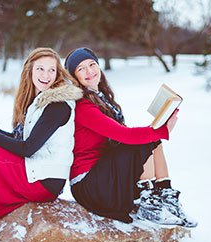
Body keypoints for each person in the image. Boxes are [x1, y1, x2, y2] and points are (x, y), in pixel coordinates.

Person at [0, 47, 83, 226]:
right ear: (30, 71)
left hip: (45, 181)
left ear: (57, 74)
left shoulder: (57, 106)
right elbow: (21, 141)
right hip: (38, 170)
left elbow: (28, 148)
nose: (46, 75)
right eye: (40, 68)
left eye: (52, 70)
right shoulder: (40, 102)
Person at [64, 47, 196, 227]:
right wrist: (160, 130)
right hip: (88, 183)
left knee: (151, 141)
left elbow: (121, 134)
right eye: (81, 69)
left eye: (92, 64)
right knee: (142, 142)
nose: (89, 71)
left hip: (104, 173)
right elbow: (122, 135)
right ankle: (148, 202)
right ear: (74, 77)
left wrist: (158, 127)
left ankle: (166, 197)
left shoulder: (101, 98)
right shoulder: (83, 106)